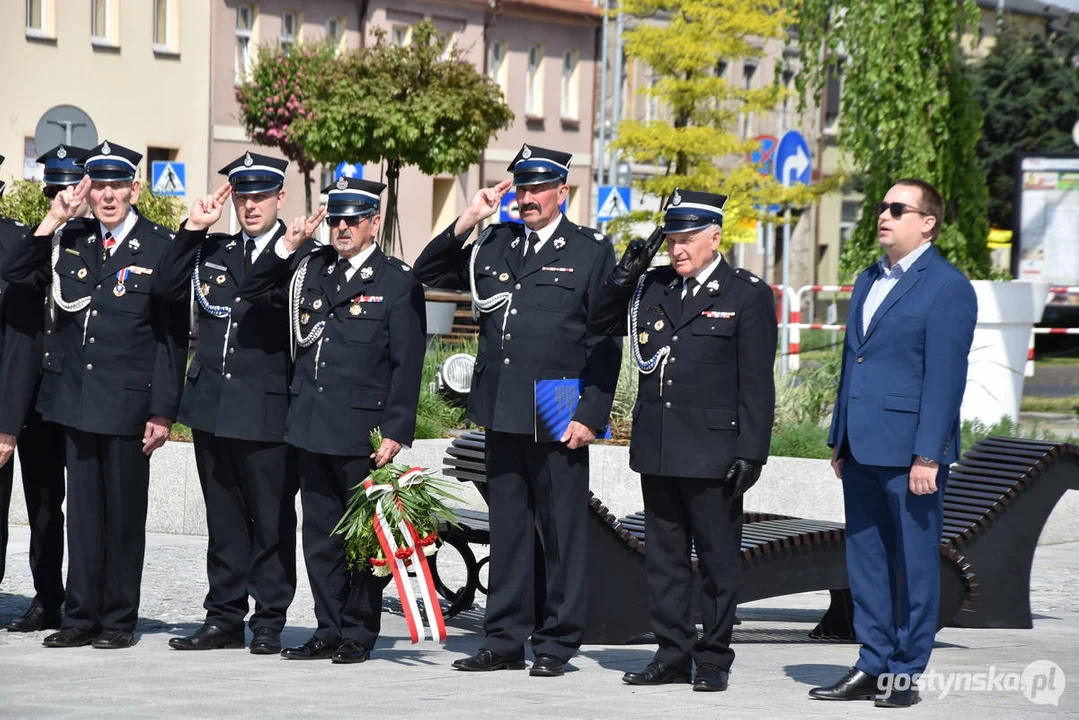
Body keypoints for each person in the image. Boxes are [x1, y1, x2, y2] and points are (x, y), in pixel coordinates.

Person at [413, 144, 621, 677]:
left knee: (559, 529)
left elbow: (604, 341)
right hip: (502, 399)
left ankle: (556, 643)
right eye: (521, 189)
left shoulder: (591, 250)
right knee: (508, 526)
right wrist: (470, 217)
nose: (527, 198)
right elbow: (427, 271)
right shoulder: (496, 243)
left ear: (561, 192)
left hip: (555, 399)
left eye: (537, 188)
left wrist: (590, 413)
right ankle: (504, 638)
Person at [2, 140, 194, 649]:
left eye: (117, 186)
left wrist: (163, 411)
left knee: (123, 518)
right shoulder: (73, 237)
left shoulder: (157, 245)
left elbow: (172, 336)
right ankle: (79, 616)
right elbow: (19, 274)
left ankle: (117, 620)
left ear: (134, 188)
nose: (108, 196)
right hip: (76, 399)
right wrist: (54, 217)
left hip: (130, 401)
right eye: (99, 186)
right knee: (83, 517)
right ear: (88, 190)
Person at [589, 189, 776, 691]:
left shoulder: (746, 294)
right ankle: (672, 653)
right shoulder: (653, 288)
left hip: (715, 452)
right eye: (671, 239)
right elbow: (600, 321)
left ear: (715, 237)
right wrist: (625, 272)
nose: (677, 249)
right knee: (666, 563)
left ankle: (713, 659)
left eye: (688, 239)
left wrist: (751, 452)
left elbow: (758, 382)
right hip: (660, 446)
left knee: (717, 563)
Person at [241, 176, 424, 663]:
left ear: (374, 223)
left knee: (362, 540)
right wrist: (288, 243)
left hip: (363, 433)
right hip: (310, 424)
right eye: (337, 219)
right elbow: (253, 285)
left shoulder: (396, 281)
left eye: (354, 219)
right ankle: (327, 626)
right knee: (319, 537)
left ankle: (358, 633)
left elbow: (409, 363)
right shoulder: (312, 268)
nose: (343, 227)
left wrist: (397, 431)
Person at [809, 179, 977, 708]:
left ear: (927, 222)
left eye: (897, 208)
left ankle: (904, 673)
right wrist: (840, 437)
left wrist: (929, 454)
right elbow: (852, 363)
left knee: (915, 565)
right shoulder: (867, 278)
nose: (883, 214)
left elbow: (946, 380)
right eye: (882, 206)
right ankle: (871, 661)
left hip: (910, 455)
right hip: (860, 447)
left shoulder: (947, 287)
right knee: (865, 563)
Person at [167, 153, 305, 655]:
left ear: (279, 199)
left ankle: (269, 618)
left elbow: (260, 294)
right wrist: (191, 230)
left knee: (270, 520)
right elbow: (165, 287)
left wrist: (284, 250)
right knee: (223, 520)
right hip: (212, 407)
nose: (250, 205)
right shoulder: (214, 250)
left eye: (260, 196)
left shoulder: (300, 256)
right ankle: (223, 616)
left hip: (267, 409)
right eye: (242, 196)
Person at [0, 148, 71, 632]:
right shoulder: (27, 239)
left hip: (48, 391)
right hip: (7, 389)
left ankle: (48, 598)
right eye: (50, 190)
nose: (58, 198)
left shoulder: (17, 237)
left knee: (47, 503)